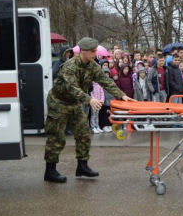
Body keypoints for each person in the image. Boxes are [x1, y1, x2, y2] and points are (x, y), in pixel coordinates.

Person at [43, 37, 134, 183]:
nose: (95, 54)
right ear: (83, 52)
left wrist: (122, 95)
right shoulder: (69, 66)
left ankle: (82, 166)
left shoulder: (93, 66)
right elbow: (71, 88)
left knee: (84, 134)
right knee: (57, 137)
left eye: (95, 51)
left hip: (74, 103)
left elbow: (105, 81)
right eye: (92, 51)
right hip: (59, 103)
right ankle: (50, 171)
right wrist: (89, 99)